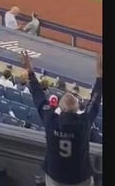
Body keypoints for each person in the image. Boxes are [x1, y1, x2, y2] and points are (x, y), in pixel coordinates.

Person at [20, 50, 103, 186]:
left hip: (55, 177)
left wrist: (30, 73)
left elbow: (39, 97)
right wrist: (100, 78)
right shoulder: (83, 122)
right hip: (80, 178)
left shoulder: (51, 120)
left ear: (60, 109)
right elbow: (94, 102)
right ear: (78, 109)